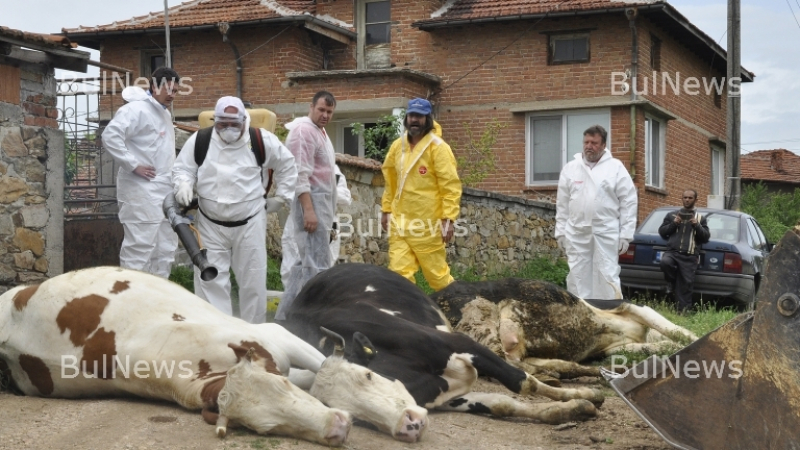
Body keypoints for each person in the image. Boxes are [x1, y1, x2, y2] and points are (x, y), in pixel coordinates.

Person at [172, 96, 297, 324]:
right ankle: (218, 332)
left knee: (253, 282)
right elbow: (183, 168)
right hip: (210, 224)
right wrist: (183, 184)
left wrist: (282, 196)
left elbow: (287, 164)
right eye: (222, 123)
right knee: (210, 281)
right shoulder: (201, 140)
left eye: (234, 123)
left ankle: (253, 336)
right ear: (215, 120)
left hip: (250, 222)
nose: (228, 129)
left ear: (243, 120)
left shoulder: (259, 140)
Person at [102, 67, 181, 278]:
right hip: (140, 190)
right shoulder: (135, 110)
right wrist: (133, 165)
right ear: (154, 86)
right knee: (140, 247)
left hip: (164, 190)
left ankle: (158, 298)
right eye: (168, 89)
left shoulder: (163, 113)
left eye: (175, 91)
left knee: (165, 247)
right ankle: (132, 300)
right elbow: (110, 136)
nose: (172, 95)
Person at [380, 98, 462, 291]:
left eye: (419, 116)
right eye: (411, 115)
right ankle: (406, 314)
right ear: (406, 117)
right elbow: (390, 182)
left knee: (438, 277)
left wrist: (448, 219)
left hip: (427, 225)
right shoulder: (397, 147)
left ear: (428, 119)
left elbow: (450, 186)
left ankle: (463, 308)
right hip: (400, 223)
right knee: (399, 276)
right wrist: (386, 209)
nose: (414, 120)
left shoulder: (439, 148)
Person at [275, 91, 338, 321]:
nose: (325, 115)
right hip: (311, 201)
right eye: (321, 110)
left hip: (321, 201)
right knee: (316, 265)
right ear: (311, 107)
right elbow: (299, 174)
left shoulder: (319, 132)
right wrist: (309, 210)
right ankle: (311, 319)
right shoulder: (303, 131)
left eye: (329, 112)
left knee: (304, 265)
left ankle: (284, 318)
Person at [555, 125, 638, 300]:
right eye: (586, 142)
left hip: (605, 231)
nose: (589, 146)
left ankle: (610, 314)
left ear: (603, 145)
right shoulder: (571, 168)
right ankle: (580, 314)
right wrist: (560, 231)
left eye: (594, 142)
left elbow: (628, 201)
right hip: (576, 231)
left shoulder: (615, 168)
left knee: (606, 273)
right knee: (577, 274)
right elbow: (562, 204)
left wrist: (626, 234)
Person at [280, 164, 352, 286]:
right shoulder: (295, 167)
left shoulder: (332, 169)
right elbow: (286, 193)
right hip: (297, 223)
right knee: (291, 268)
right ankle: (293, 302)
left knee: (323, 271)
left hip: (326, 225)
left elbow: (346, 197)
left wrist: (320, 191)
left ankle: (317, 302)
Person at [658, 189, 710, 312]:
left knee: (686, 286)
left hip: (690, 256)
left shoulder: (701, 219)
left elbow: (705, 237)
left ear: (695, 200)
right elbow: (662, 232)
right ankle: (671, 282)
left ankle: (683, 312)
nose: (687, 200)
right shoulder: (671, 215)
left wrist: (697, 225)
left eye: (690, 198)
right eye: (685, 197)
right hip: (672, 253)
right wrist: (674, 224)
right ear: (682, 199)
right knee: (665, 263)